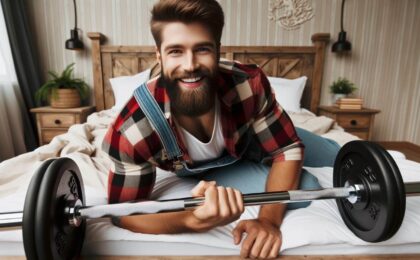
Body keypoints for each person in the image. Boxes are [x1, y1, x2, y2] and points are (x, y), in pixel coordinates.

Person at [102, 0, 340, 258]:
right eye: (175, 52)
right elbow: (124, 213)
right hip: (209, 167)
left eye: (202, 49)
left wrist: (268, 222)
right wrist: (190, 220)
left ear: (218, 50)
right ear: (159, 56)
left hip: (256, 138)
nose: (190, 64)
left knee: (340, 156)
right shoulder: (132, 129)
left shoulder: (248, 83)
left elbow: (287, 148)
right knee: (307, 188)